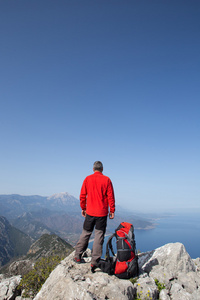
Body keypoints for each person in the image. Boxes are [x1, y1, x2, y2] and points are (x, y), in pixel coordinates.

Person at [74, 161, 115, 272]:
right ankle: (94, 262)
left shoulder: (87, 179)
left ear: (93, 169)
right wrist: (112, 210)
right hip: (101, 213)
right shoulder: (107, 180)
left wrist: (83, 208)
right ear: (102, 169)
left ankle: (77, 255)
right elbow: (111, 196)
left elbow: (82, 195)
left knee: (86, 233)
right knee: (99, 236)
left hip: (90, 212)